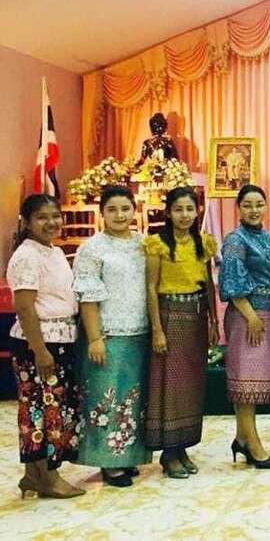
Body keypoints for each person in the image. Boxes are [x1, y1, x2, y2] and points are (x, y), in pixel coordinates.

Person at [72, 185, 151, 487]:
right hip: (107, 335)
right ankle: (108, 462)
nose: (119, 215)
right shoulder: (92, 248)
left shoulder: (144, 244)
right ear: (102, 213)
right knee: (106, 397)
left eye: (125, 209)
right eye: (112, 210)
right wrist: (95, 338)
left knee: (133, 399)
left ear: (134, 210)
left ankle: (127, 457)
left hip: (139, 332)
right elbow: (87, 297)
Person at [8, 194, 83, 498]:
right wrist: (40, 350)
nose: (51, 222)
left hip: (60, 339)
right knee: (43, 410)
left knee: (48, 407)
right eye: (42, 217)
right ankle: (48, 478)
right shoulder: (27, 255)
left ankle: (32, 474)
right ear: (27, 222)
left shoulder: (53, 251)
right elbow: (25, 307)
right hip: (38, 343)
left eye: (55, 215)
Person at [144, 186, 218, 478]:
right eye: (178, 209)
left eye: (190, 209)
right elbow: (151, 288)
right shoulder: (157, 244)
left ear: (197, 211)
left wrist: (213, 321)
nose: (184, 215)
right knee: (170, 386)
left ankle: (183, 446)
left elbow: (208, 284)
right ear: (168, 213)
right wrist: (157, 330)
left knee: (190, 386)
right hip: (170, 317)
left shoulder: (203, 243)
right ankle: (168, 452)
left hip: (196, 318)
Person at [219, 184, 270, 469]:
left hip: (267, 315)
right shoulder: (235, 239)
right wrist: (252, 316)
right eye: (247, 205)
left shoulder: (268, 237)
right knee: (244, 381)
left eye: (259, 204)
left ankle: (242, 438)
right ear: (239, 208)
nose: (254, 210)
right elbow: (232, 282)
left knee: (253, 381)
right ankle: (253, 443)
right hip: (247, 316)